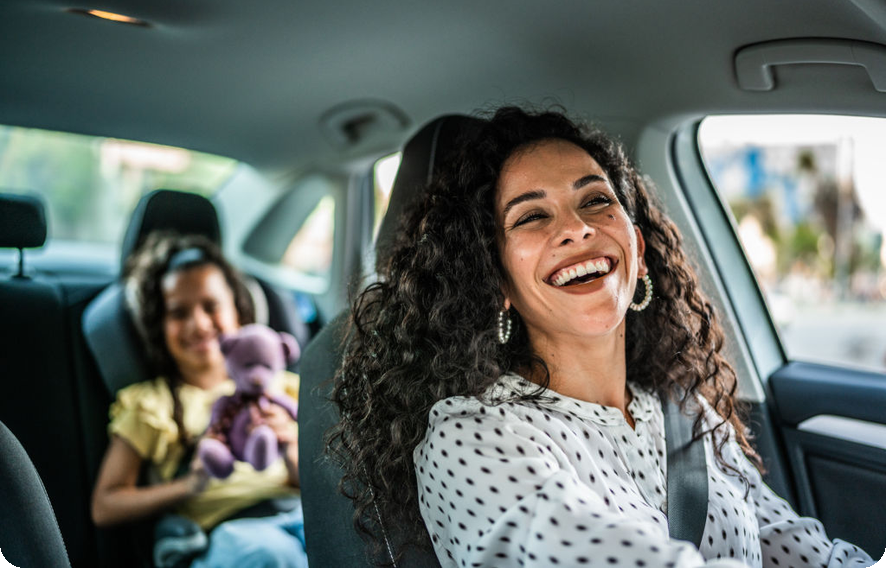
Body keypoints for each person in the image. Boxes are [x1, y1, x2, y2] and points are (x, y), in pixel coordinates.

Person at [327, 107, 873, 568]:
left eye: (595, 201)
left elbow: (803, 549)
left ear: (637, 249)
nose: (576, 228)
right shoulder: (471, 438)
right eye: (531, 216)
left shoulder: (689, 414)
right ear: (496, 282)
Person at [91, 232, 308, 568]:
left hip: (298, 517)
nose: (199, 324)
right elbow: (105, 505)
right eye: (178, 313)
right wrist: (188, 486)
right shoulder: (153, 405)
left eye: (211, 306)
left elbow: (318, 486)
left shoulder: (285, 389)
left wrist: (291, 445)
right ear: (159, 327)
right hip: (227, 536)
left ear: (238, 310)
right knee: (274, 555)